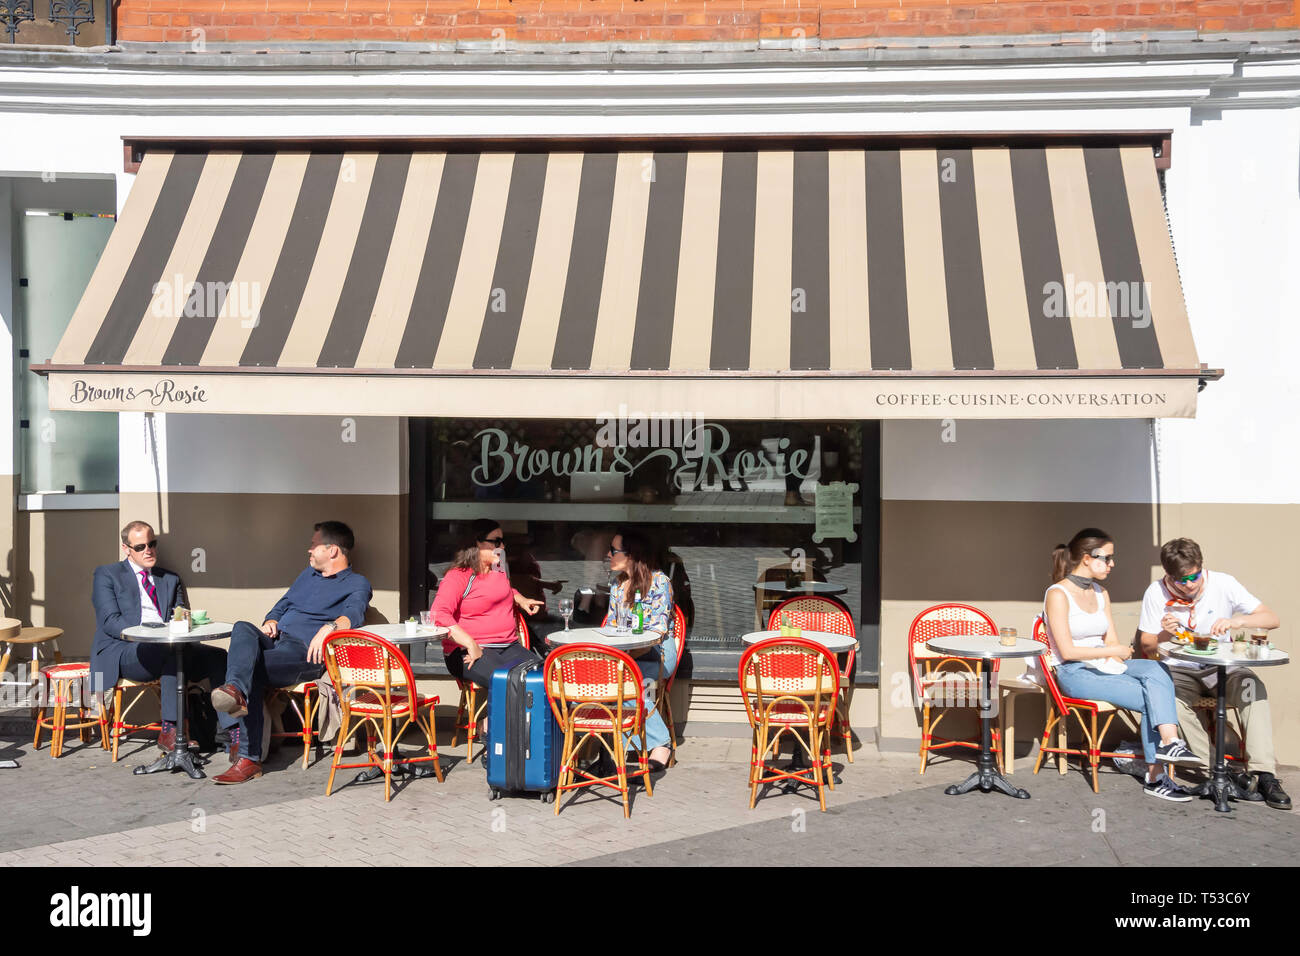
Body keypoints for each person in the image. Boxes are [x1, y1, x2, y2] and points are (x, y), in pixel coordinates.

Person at [209, 521, 371, 785]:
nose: (308, 550)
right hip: (276, 641)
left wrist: (329, 628)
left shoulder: (357, 583)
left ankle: (248, 758)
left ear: (332, 551)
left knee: (251, 670)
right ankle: (235, 690)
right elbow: (282, 604)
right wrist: (271, 620)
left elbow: (354, 613)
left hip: (303, 653)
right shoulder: (307, 576)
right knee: (241, 628)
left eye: (313, 544)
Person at [1043, 529, 1198, 801]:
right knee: (1150, 694)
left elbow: (1112, 640)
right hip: (1075, 672)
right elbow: (1066, 652)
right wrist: (1112, 651)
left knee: (1156, 670)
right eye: (1107, 558)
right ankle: (1155, 776)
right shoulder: (1057, 594)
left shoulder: (1101, 592)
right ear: (1087, 559)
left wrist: (1120, 659)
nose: (1112, 564)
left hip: (1105, 665)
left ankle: (1170, 743)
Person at [1137, 537, 1290, 810]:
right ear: (1167, 576)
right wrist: (1164, 632)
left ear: (1201, 566)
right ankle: (1218, 771)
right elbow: (1146, 646)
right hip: (1180, 669)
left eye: (1194, 576)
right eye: (1179, 580)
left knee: (1252, 688)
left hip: (1223, 667)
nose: (1189, 584)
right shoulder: (1155, 593)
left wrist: (1237, 620)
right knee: (1169, 700)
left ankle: (1264, 774)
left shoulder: (1223, 583)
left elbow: (1271, 618)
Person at [91, 521, 227, 753]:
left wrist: (185, 622)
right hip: (126, 650)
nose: (148, 550)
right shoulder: (107, 574)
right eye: (140, 546)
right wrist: (148, 637)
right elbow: (110, 621)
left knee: (219, 657)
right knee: (170, 651)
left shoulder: (170, 579)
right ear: (126, 549)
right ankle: (171, 731)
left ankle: (231, 734)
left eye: (152, 544)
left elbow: (180, 615)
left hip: (167, 648)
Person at [432, 519, 543, 695]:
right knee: (509, 683)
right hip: (469, 650)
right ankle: (490, 723)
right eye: (496, 541)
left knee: (544, 678)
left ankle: (529, 723)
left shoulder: (498, 568)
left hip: (508, 646)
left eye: (502, 541)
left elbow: (501, 590)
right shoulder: (458, 576)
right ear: (476, 543)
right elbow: (439, 615)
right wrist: (470, 643)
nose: (503, 546)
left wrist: (520, 599)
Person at [604, 529, 676, 772]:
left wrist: (623, 659)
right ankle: (617, 749)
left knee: (629, 683)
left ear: (632, 555)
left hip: (657, 654)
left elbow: (657, 632)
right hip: (626, 654)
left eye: (613, 551)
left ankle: (661, 744)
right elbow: (612, 625)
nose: (608, 555)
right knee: (603, 681)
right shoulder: (616, 584)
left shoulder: (660, 582)